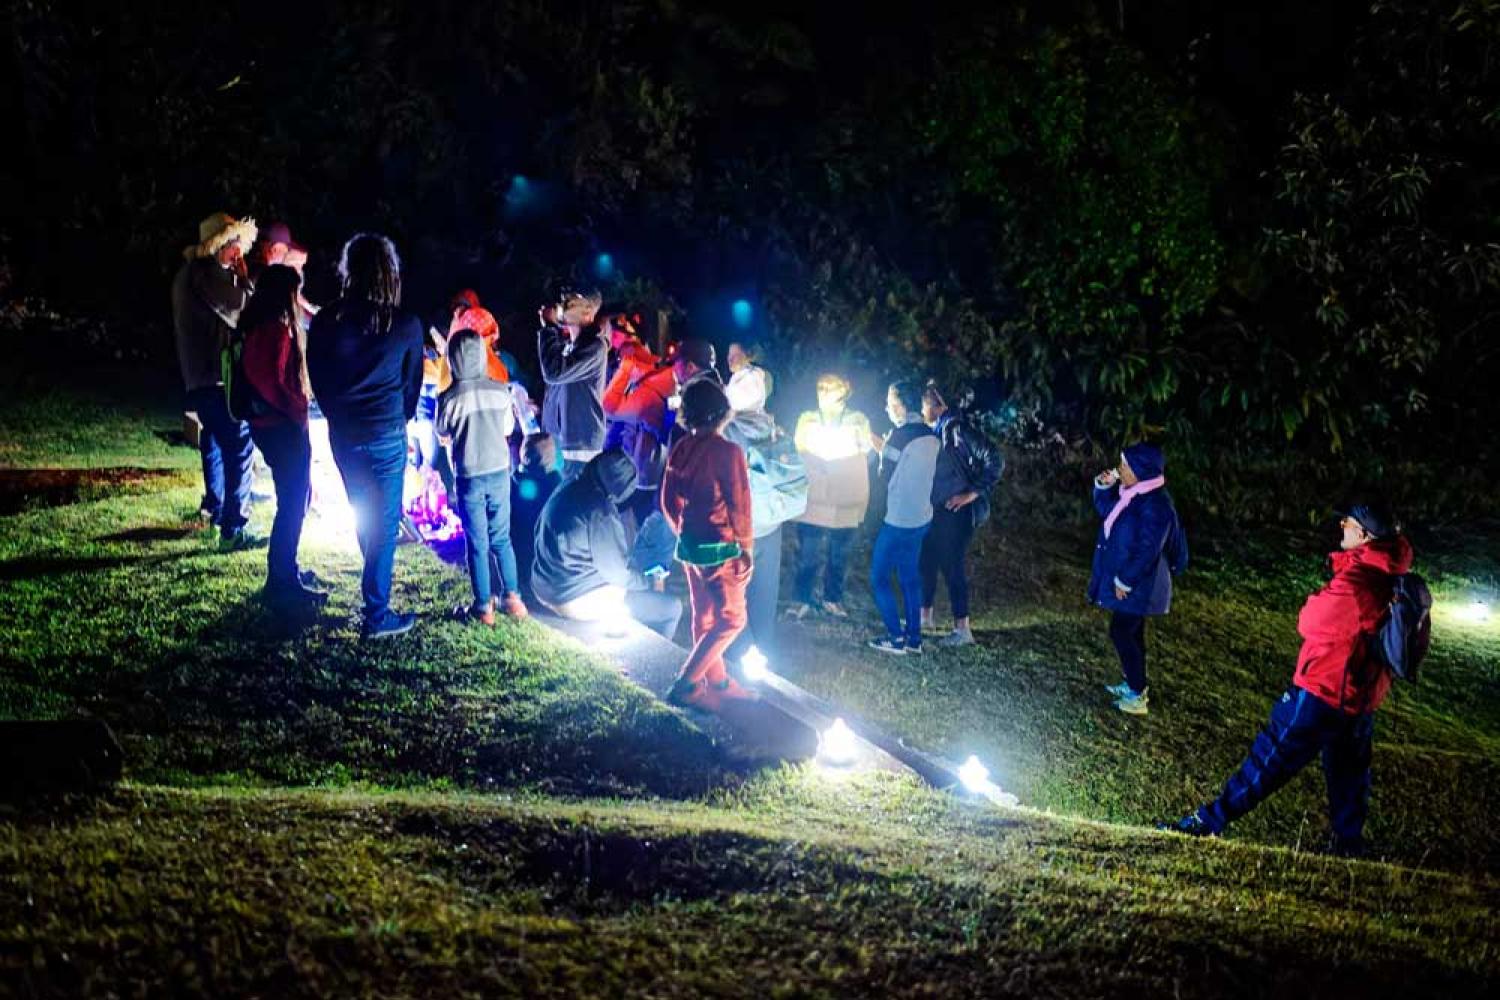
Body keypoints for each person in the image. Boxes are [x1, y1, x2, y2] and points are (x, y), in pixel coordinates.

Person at [1162, 500, 1412, 857]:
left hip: (1324, 690)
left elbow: (1309, 621)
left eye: (1347, 523)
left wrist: (1317, 600)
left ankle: (1209, 821)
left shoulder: (1359, 583)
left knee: (1269, 760)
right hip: (1358, 698)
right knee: (1349, 775)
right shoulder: (1388, 575)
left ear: (1364, 534)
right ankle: (1347, 843)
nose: (1341, 527)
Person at [306, 233, 424, 640]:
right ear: (389, 273)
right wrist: (399, 418)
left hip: (345, 433)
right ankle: (377, 614)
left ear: (349, 271)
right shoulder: (405, 326)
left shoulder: (326, 321)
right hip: (387, 434)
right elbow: (412, 385)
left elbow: (317, 377)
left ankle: (376, 592)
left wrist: (337, 412)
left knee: (366, 513)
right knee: (384, 520)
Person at [660, 379, 757, 709]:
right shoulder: (728, 452)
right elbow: (740, 505)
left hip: (689, 547)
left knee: (704, 615)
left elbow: (667, 501)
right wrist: (745, 549)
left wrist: (684, 530)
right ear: (722, 411)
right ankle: (687, 682)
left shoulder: (681, 447)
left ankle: (717, 680)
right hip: (721, 548)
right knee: (731, 619)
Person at [236, 264, 327, 612]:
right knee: (292, 502)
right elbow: (269, 380)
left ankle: (285, 570)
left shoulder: (258, 326)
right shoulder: (272, 329)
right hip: (281, 427)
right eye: (294, 292)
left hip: (271, 426)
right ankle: (281, 579)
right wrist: (298, 410)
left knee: (293, 500)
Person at [171, 212, 259, 549]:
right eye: (234, 243)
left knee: (216, 442)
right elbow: (241, 311)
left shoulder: (194, 275)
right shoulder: (205, 276)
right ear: (217, 245)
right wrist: (246, 280)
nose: (239, 251)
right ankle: (233, 528)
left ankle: (217, 510)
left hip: (201, 377)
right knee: (239, 443)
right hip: (215, 376)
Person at [531, 449, 683, 640]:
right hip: (571, 597)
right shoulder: (600, 513)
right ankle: (655, 658)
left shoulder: (569, 485)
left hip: (543, 583)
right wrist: (648, 582)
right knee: (672, 608)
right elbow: (618, 574)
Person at [435, 329, 530, 624]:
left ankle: (482, 607)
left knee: (477, 542)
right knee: (502, 537)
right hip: (499, 471)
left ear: (453, 359)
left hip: (469, 473)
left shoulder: (448, 396)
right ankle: (513, 598)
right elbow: (507, 429)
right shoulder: (500, 389)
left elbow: (442, 433)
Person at [1088, 442, 1188, 715]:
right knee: (1132, 633)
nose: (1120, 470)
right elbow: (1108, 513)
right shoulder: (1132, 495)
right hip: (1137, 581)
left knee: (1120, 631)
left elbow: (1148, 549)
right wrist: (1103, 486)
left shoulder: (1155, 505)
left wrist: (1125, 581)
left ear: (1142, 471)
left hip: (1142, 584)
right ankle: (1135, 684)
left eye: (1125, 466)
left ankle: (1137, 696)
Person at [723, 368, 807, 664]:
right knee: (764, 596)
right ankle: (763, 657)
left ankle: (737, 658)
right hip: (770, 524)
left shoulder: (727, 430)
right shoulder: (772, 427)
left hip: (738, 528)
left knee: (733, 595)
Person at [919, 381, 1004, 647]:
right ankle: (925, 618)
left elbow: (994, 459)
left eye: (924, 405)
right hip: (937, 510)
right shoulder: (937, 429)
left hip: (956, 512)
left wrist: (971, 493)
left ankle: (962, 629)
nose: (921, 410)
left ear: (937, 405)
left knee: (952, 566)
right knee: (927, 561)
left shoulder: (957, 429)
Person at [603, 337, 715, 525]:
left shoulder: (672, 389)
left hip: (649, 474)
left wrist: (625, 370)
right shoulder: (660, 390)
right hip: (647, 475)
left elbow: (610, 407)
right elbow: (610, 408)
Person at [788, 373, 872, 620]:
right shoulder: (808, 419)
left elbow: (865, 450)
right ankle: (801, 598)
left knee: (839, 554)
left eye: (829, 388)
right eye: (820, 387)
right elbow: (799, 448)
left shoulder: (857, 420)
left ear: (844, 392)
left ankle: (832, 598)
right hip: (815, 497)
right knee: (807, 553)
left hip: (844, 497)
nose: (823, 392)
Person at [866, 378, 941, 655]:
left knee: (879, 577)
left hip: (897, 520)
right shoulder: (931, 434)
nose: (887, 407)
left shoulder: (899, 436)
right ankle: (914, 639)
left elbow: (885, 475)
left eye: (889, 402)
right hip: (921, 518)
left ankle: (895, 638)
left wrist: (880, 449)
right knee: (910, 577)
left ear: (899, 405)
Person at [537, 288, 606, 479]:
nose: (564, 305)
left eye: (571, 301)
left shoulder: (595, 347)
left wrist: (549, 329)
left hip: (579, 446)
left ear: (588, 313)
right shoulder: (570, 347)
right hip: (561, 443)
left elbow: (554, 373)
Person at [725, 341, 772, 414]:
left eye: (735, 355)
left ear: (747, 355)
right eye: (729, 354)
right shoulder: (738, 376)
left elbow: (735, 402)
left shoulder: (754, 376)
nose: (729, 359)